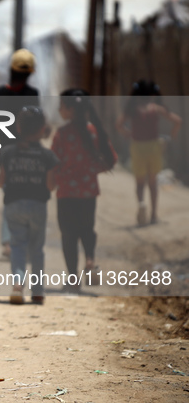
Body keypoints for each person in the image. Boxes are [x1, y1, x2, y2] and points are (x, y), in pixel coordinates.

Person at [51, 89, 117, 293]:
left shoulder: (62, 134)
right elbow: (111, 159)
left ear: (70, 109)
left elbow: (53, 163)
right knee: (87, 229)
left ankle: (73, 279)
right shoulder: (94, 130)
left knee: (68, 235)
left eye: (61, 105)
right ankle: (90, 259)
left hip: (66, 193)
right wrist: (91, 170)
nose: (59, 109)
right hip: (88, 192)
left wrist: (52, 183)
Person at [0, 106, 58, 305]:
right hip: (38, 205)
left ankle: (17, 285)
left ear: (18, 128)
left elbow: (0, 181)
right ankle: (38, 291)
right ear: (42, 129)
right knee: (37, 249)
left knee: (17, 246)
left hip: (14, 205)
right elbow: (50, 185)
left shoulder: (7, 153)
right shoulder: (47, 156)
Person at [0, 48, 40, 259]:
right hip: (29, 152)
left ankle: (9, 242)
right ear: (30, 72)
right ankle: (23, 242)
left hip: (6, 152)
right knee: (28, 195)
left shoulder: (1, 93)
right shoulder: (33, 95)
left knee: (10, 196)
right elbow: (38, 125)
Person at [115, 80, 182, 226]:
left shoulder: (132, 109)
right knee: (153, 183)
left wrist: (130, 134)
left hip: (137, 146)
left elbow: (119, 125)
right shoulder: (156, 108)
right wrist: (172, 136)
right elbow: (177, 120)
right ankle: (153, 216)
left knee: (139, 183)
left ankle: (141, 203)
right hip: (154, 147)